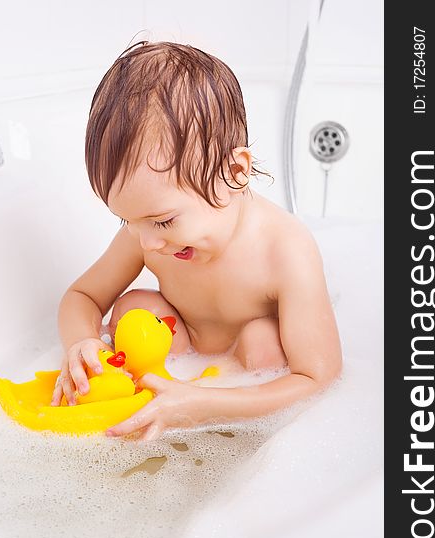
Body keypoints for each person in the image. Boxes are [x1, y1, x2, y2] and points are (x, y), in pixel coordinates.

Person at [50, 40, 342, 441]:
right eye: (127, 220)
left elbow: (317, 376)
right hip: (180, 352)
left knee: (265, 344)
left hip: (248, 375)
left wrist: (205, 406)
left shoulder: (285, 249)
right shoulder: (148, 232)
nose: (147, 243)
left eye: (164, 221)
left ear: (233, 173)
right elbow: (82, 296)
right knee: (136, 307)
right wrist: (81, 343)